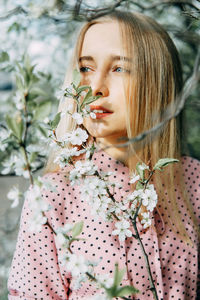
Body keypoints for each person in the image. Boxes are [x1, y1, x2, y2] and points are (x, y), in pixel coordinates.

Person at [7, 10, 200, 300]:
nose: (95, 88)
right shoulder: (52, 196)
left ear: (157, 81)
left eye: (119, 68)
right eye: (85, 68)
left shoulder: (192, 182)